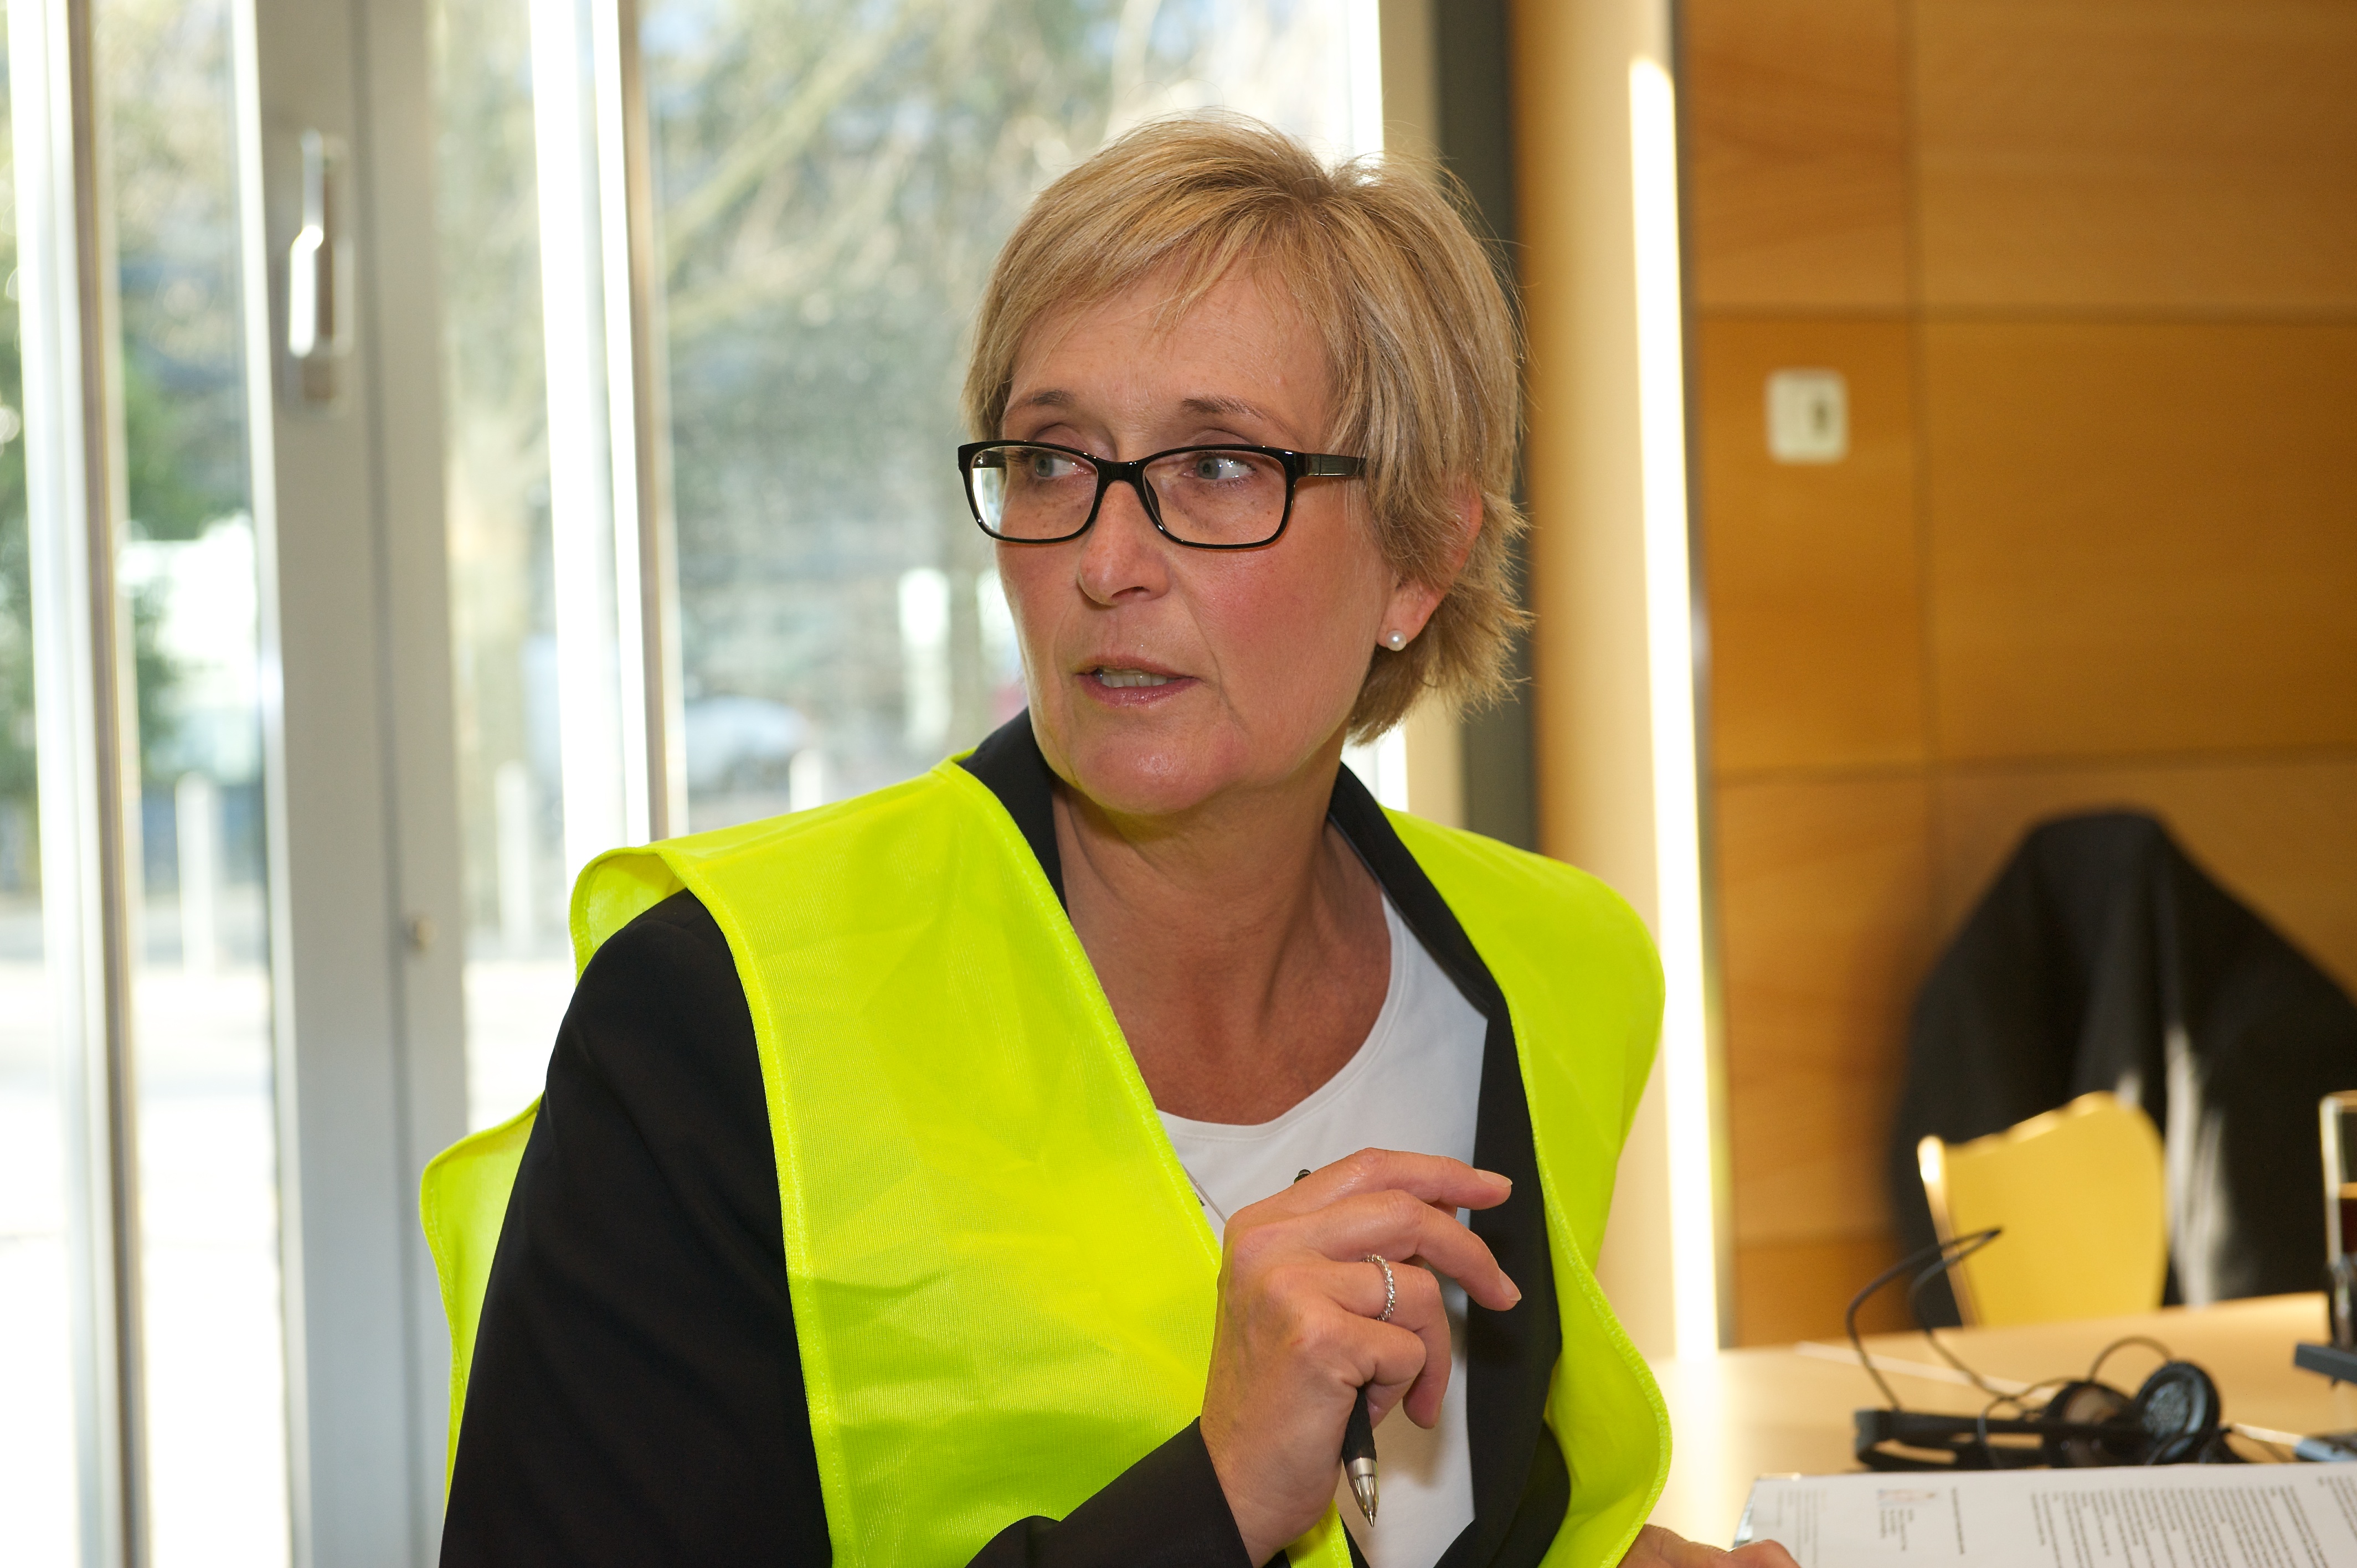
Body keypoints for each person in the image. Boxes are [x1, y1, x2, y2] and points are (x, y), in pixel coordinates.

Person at [426, 113, 1797, 1568]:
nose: (1103, 560)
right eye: (1050, 460)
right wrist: (1217, 1496)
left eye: (1217, 466)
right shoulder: (720, 1007)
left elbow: (1463, 1513)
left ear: (1418, 558)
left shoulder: (1556, 968)